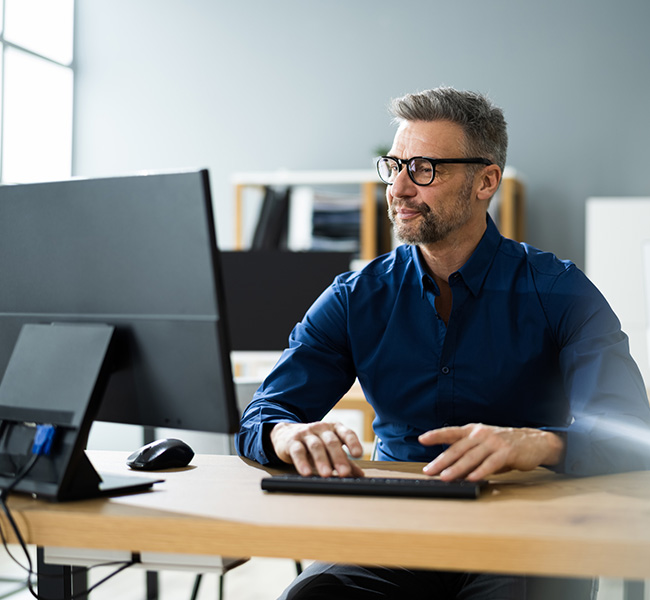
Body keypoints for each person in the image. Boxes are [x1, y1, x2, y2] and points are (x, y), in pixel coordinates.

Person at [236, 87, 650, 599]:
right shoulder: (354, 297)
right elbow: (264, 415)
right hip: (396, 530)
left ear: (486, 181)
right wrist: (284, 435)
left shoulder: (560, 290)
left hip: (525, 527)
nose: (400, 188)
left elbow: (633, 433)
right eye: (394, 166)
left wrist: (538, 442)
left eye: (425, 168)